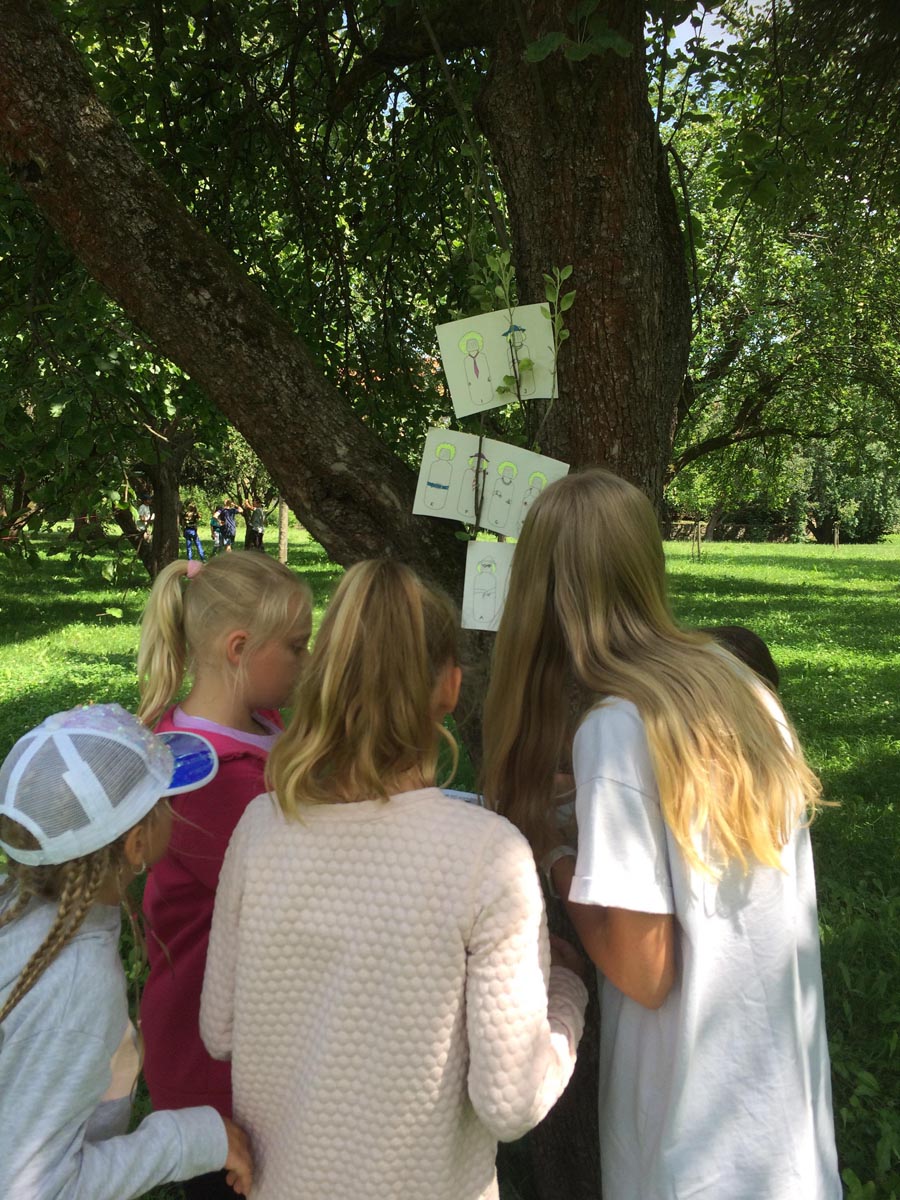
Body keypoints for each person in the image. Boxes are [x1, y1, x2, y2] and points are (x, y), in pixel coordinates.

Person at [482, 469, 841, 1200]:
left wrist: (554, 853)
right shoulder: (739, 687)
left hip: (689, 1146)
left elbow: (645, 971)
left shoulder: (616, 729)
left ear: (541, 590)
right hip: (783, 1140)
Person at [200, 560, 588, 1200]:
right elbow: (510, 1101)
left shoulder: (261, 828)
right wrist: (568, 996)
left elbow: (220, 1030)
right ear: (450, 688)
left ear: (324, 676)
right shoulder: (486, 855)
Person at [0, 704, 253, 1200]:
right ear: (137, 844)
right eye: (164, 802)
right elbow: (34, 1188)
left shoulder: (19, 908)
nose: (174, 810)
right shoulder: (78, 985)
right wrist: (193, 1139)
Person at [137, 552, 312, 1200]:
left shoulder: (261, 726)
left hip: (247, 1044)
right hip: (213, 1071)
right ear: (239, 649)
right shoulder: (209, 779)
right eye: (296, 647)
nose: (307, 662)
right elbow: (294, 899)